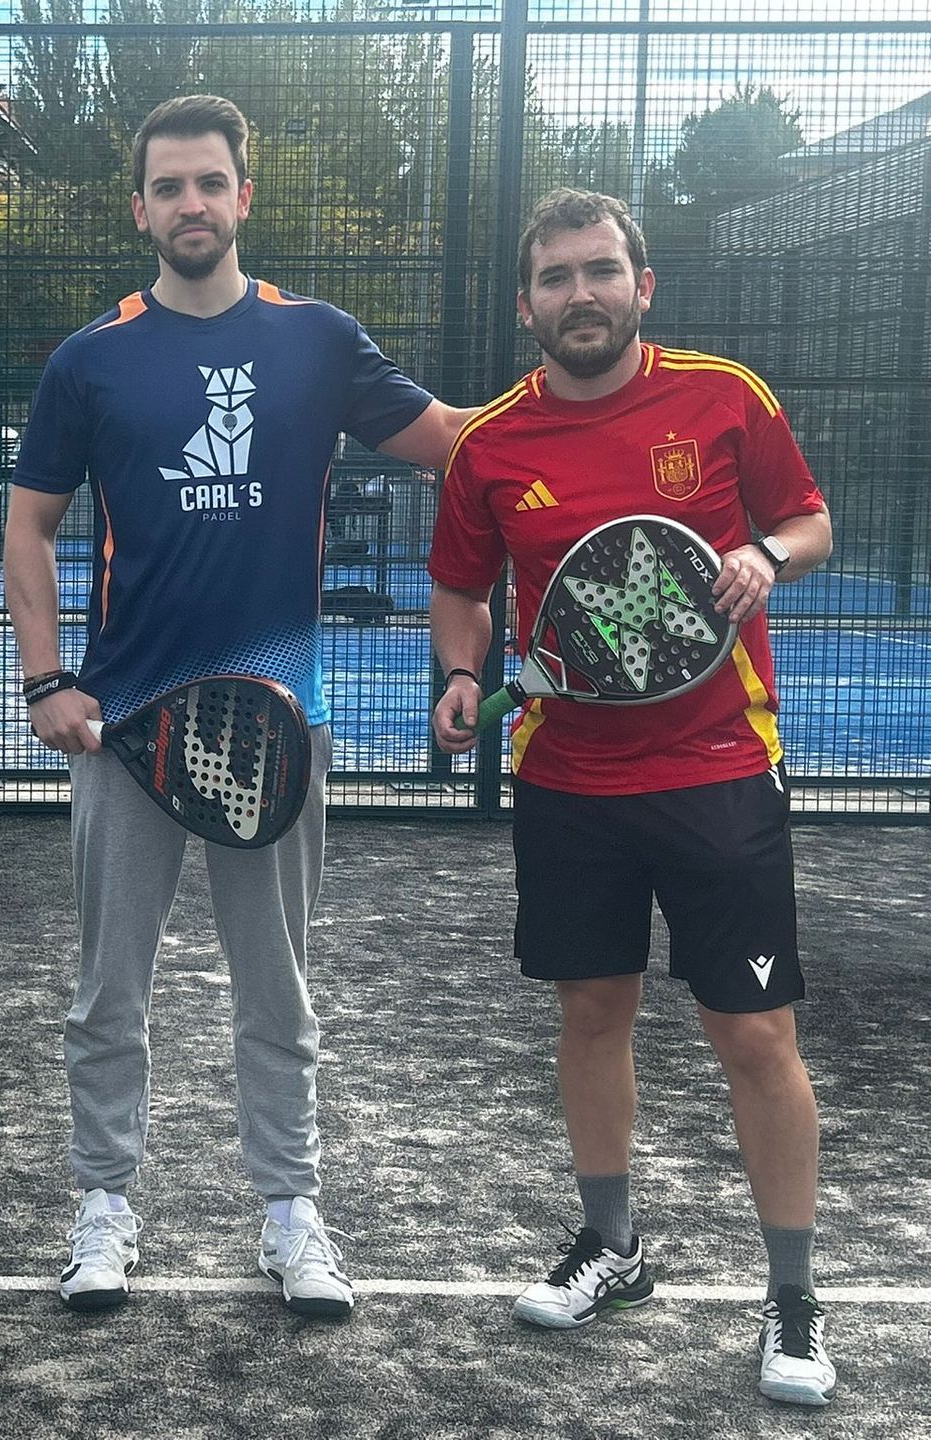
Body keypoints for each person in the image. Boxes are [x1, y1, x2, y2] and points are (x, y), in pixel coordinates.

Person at [3, 94, 472, 1317]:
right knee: (109, 992)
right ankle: (103, 1206)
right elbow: (30, 522)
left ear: (243, 196)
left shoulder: (316, 339)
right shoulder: (90, 358)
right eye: (169, 187)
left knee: (280, 990)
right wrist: (46, 677)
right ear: (143, 207)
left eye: (211, 183)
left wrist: (581, 416)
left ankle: (290, 1212)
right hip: (125, 726)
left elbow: (454, 445)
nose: (191, 205)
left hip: (278, 722)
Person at [428, 189, 836, 1405]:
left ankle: (795, 1304)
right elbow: (461, 588)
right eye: (555, 278)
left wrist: (765, 555)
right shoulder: (491, 443)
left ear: (642, 285)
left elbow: (810, 520)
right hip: (567, 783)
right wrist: (460, 673)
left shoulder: (724, 396)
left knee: (755, 1038)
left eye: (601, 270)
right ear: (527, 304)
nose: (580, 294)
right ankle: (614, 1248)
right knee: (591, 1017)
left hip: (718, 771)